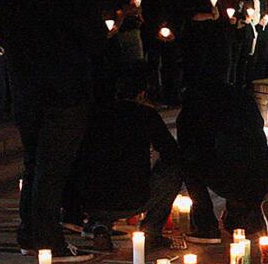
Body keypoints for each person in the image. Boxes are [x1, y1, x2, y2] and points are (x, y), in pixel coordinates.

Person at [0, 0, 105, 261]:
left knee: (33, 162)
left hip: (26, 89)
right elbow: (95, 41)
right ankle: (47, 240)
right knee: (53, 167)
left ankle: (29, 232)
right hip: (65, 91)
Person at [70, 67, 183, 252]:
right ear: (142, 93)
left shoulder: (94, 114)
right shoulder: (145, 114)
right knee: (174, 172)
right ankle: (152, 231)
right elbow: (172, 154)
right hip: (133, 198)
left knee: (102, 176)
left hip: (90, 200)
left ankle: (101, 226)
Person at [176, 81, 268, 242]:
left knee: (188, 166)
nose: (222, 215)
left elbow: (188, 146)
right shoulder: (242, 97)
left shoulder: (196, 105)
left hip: (232, 171)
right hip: (263, 172)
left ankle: (206, 227)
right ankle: (250, 222)